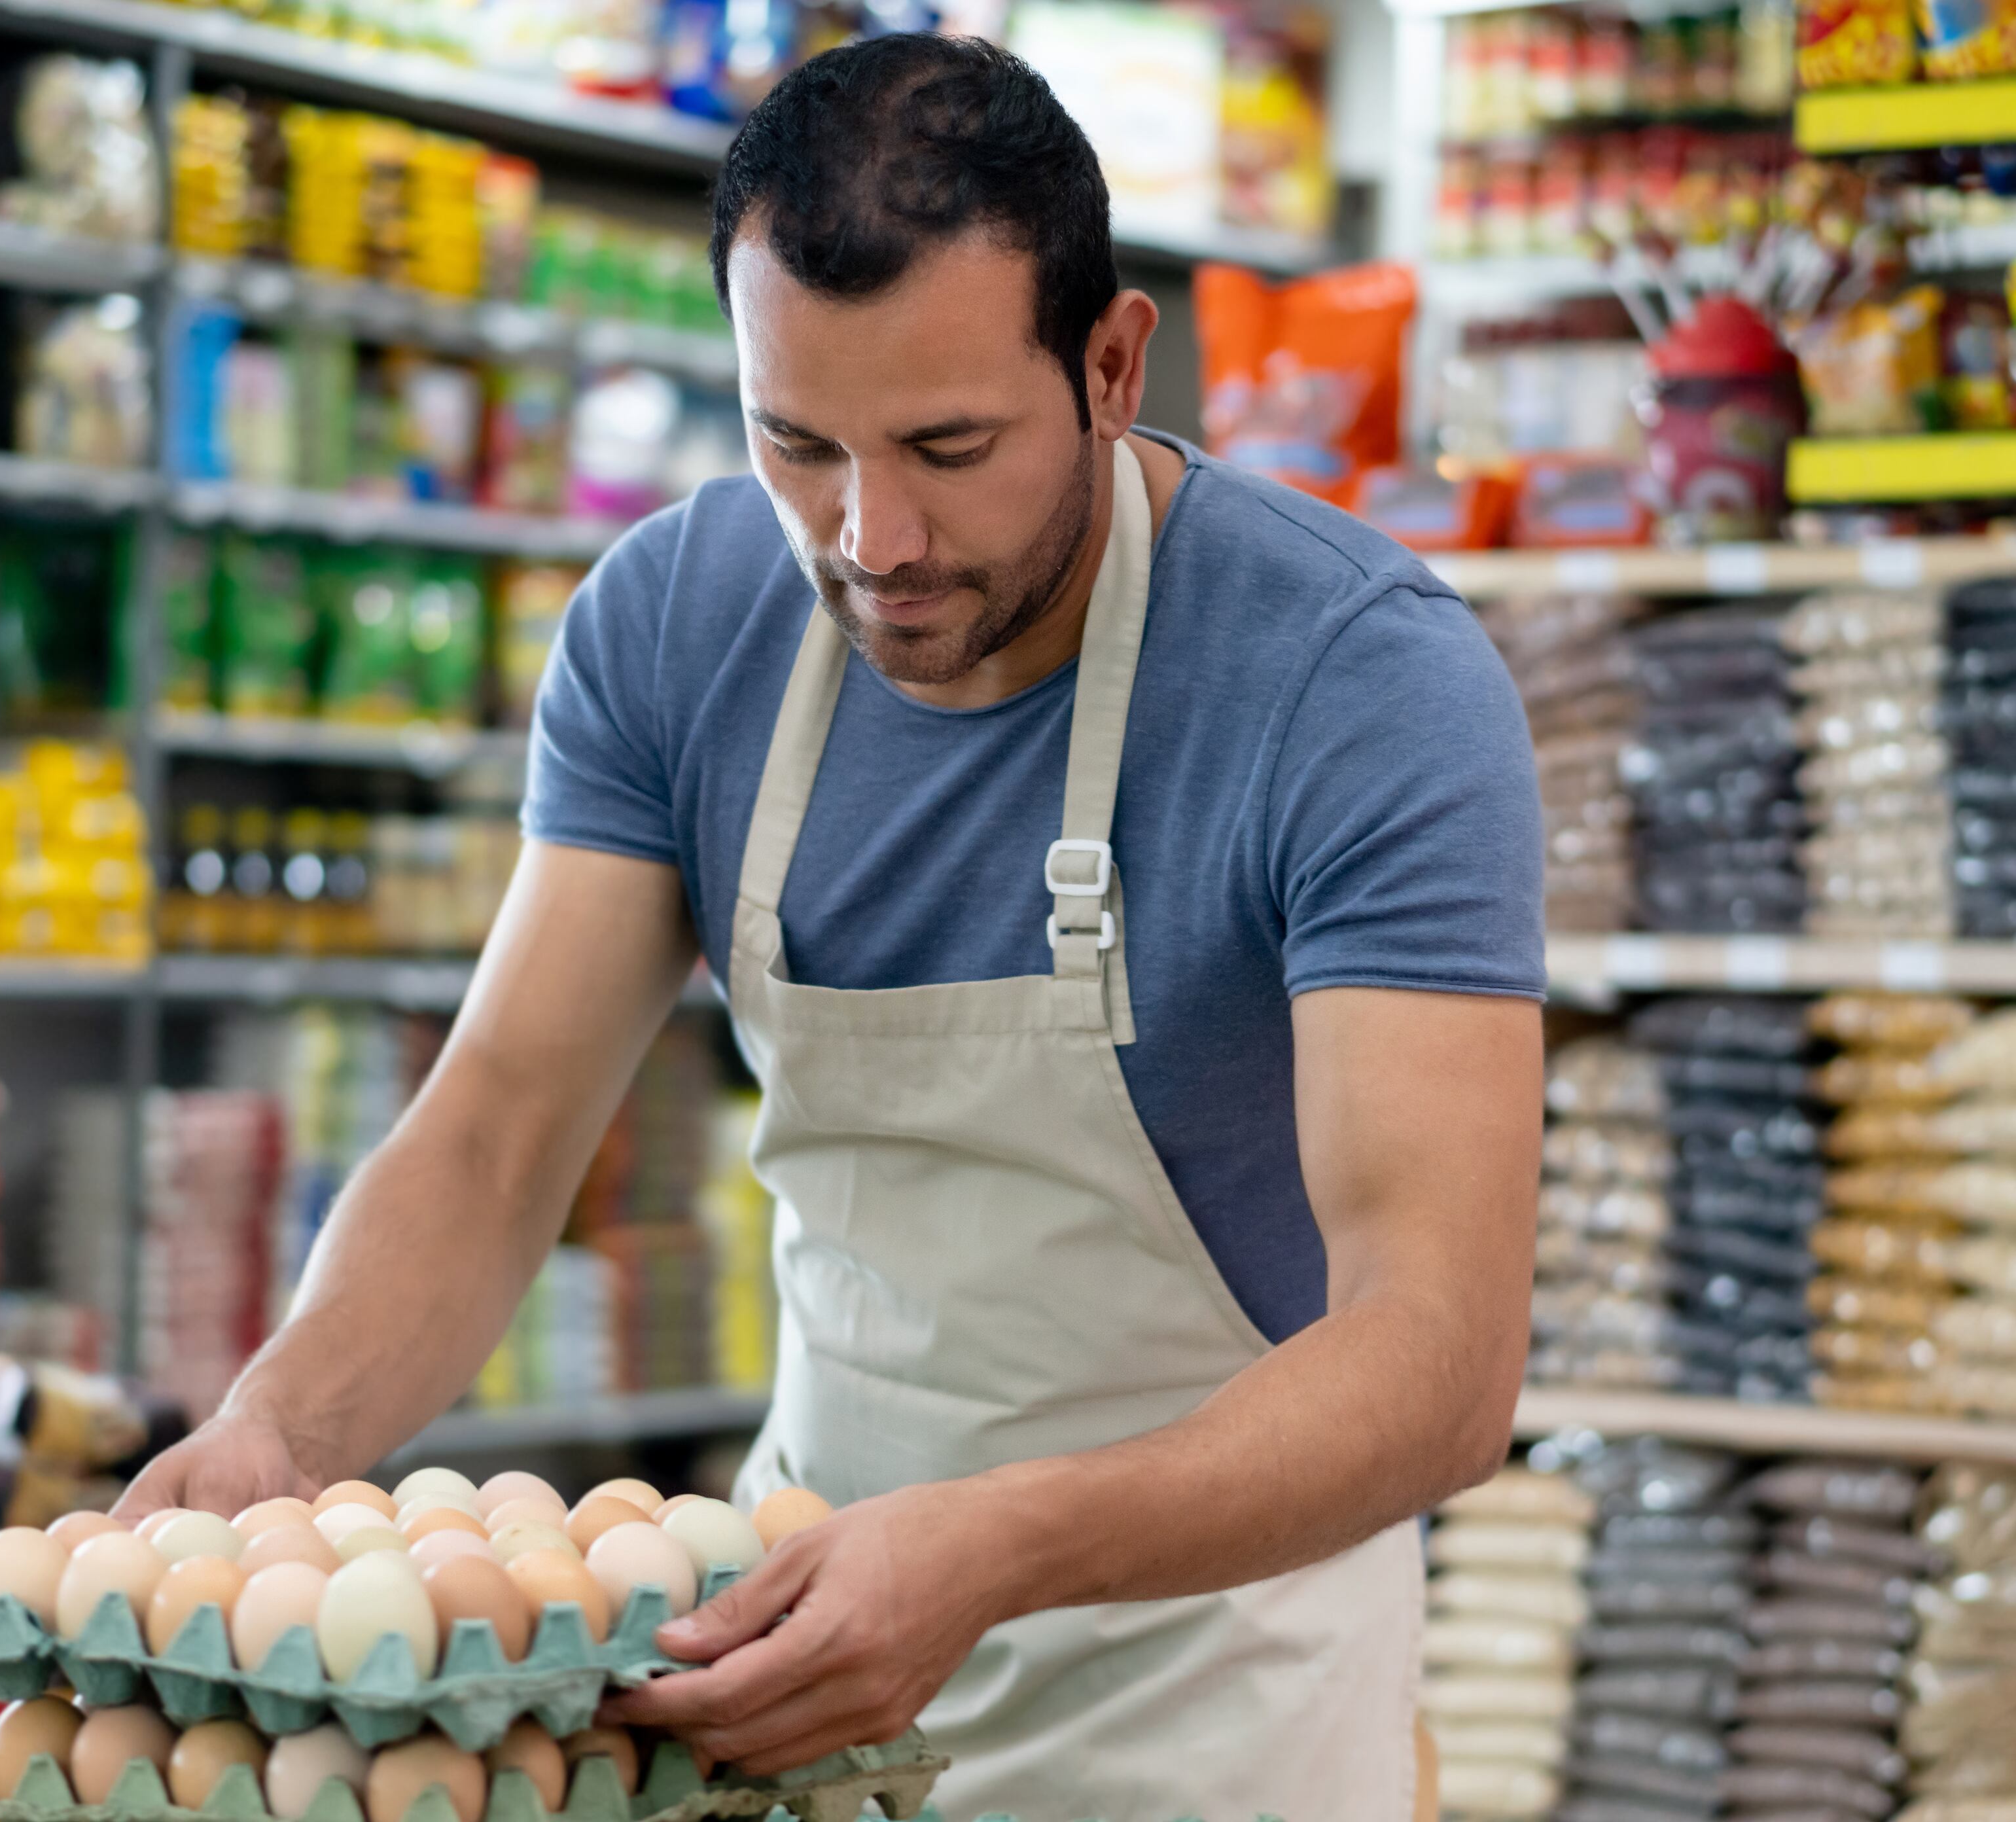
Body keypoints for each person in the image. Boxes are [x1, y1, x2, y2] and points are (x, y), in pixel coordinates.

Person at [116, 33, 1543, 1819]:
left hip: (1217, 1703)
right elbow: (492, 1139)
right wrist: (283, 1432)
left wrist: (989, 1551)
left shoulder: (1353, 679)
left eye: (949, 446)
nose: (873, 538)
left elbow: (1439, 1358)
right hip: (801, 1657)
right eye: (796, 440)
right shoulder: (677, 623)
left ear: (1110, 364)